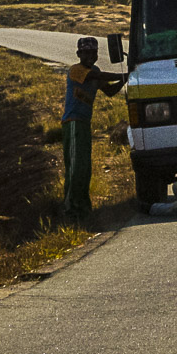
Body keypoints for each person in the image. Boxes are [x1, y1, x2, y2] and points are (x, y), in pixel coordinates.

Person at [62, 36, 127, 224]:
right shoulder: (77, 70)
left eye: (93, 53)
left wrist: (124, 80)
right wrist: (121, 76)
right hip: (73, 123)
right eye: (86, 53)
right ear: (78, 54)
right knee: (74, 167)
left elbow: (110, 91)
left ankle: (82, 208)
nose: (90, 56)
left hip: (84, 124)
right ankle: (70, 209)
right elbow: (97, 77)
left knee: (84, 168)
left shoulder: (95, 70)